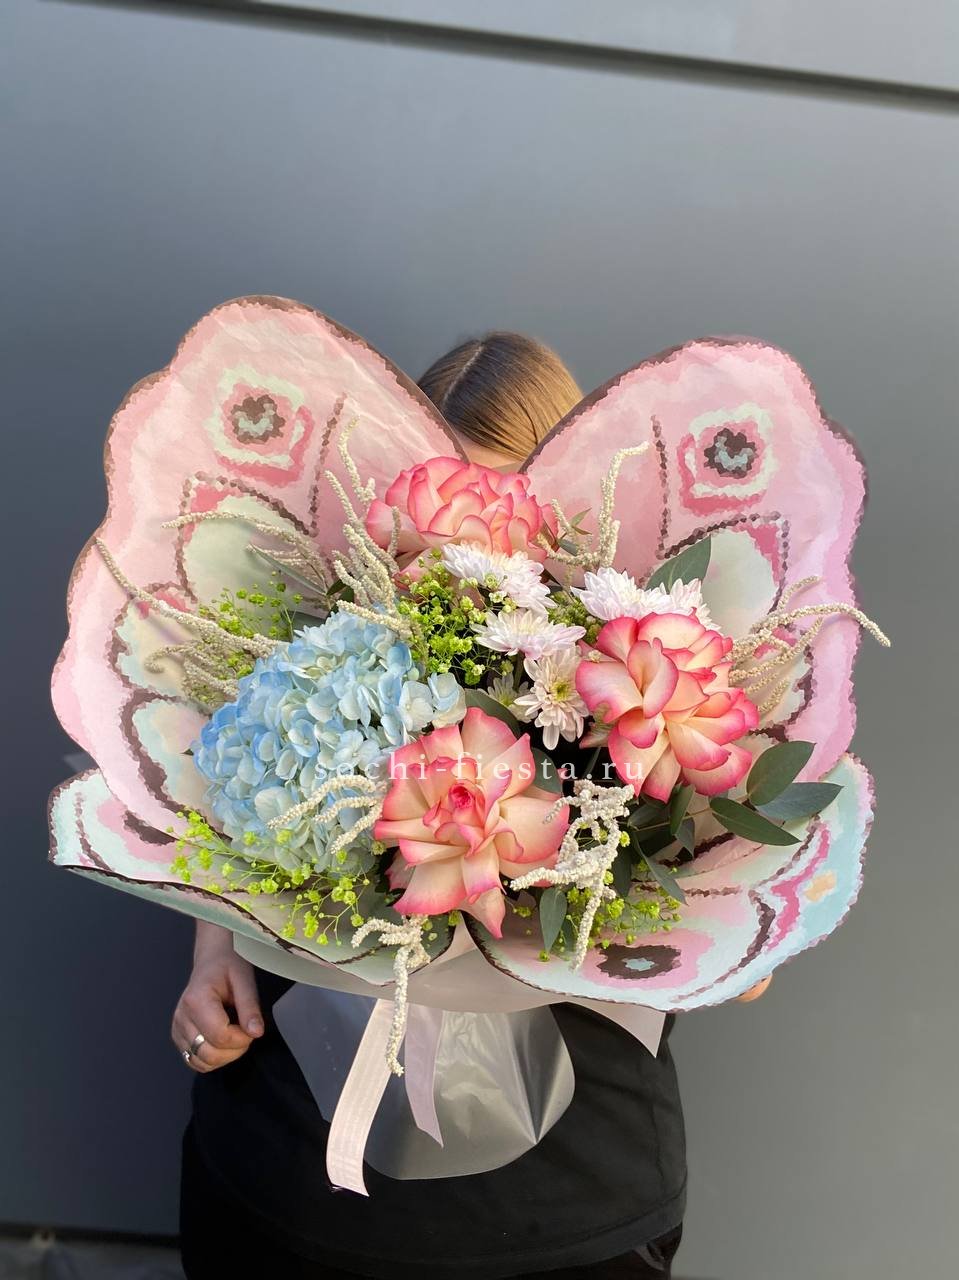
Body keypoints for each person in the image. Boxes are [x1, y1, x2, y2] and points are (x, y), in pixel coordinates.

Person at [175, 331, 769, 1279]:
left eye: (503, 511)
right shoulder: (316, 636)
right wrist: (212, 955)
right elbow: (221, 803)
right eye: (440, 516)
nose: (468, 553)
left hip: (570, 1198)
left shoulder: (648, 660)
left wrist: (737, 937)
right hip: (290, 1172)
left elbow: (740, 948)